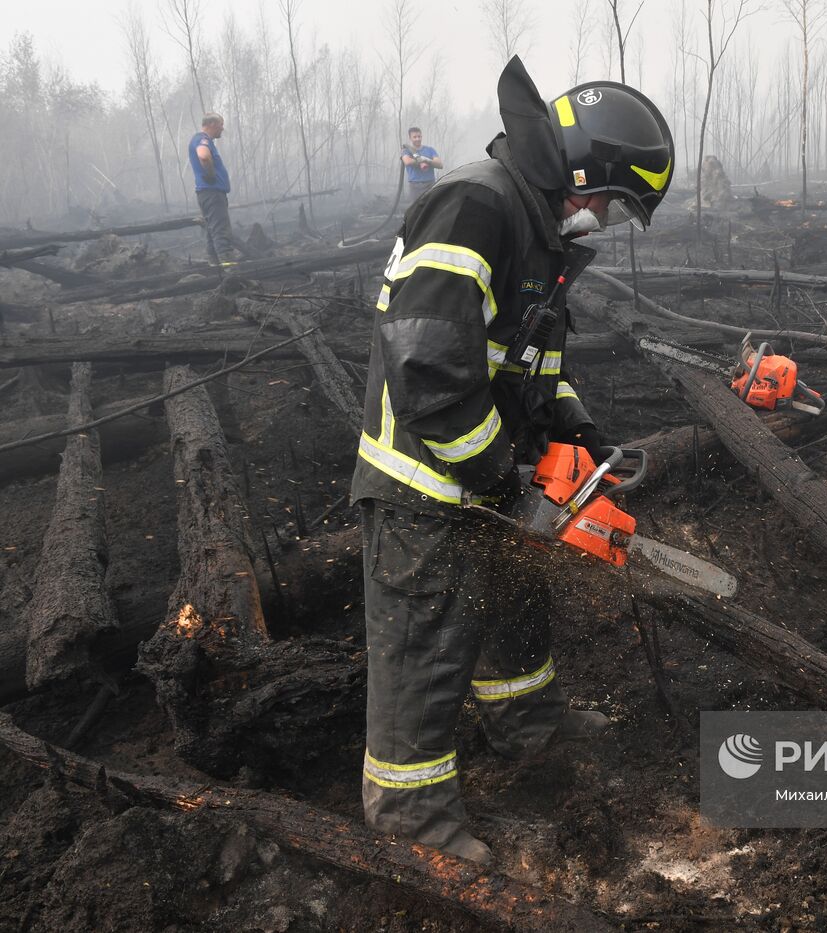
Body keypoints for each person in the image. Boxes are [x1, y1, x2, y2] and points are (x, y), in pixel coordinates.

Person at [351, 57, 673, 865]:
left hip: (489, 474)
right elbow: (429, 369)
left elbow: (532, 368)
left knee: (515, 604)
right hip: (425, 482)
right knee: (426, 641)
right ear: (583, 171)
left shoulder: (535, 229)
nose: (606, 218)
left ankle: (526, 725)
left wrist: (582, 438)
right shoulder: (476, 206)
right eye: (612, 202)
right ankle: (411, 814)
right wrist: (501, 476)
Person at [188, 113, 242, 268]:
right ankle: (230, 269)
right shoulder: (202, 139)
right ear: (211, 123)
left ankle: (215, 267)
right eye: (220, 124)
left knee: (212, 230)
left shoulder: (201, 139)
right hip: (212, 193)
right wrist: (210, 174)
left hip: (207, 193)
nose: (222, 128)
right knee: (220, 230)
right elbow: (204, 156)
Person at [401, 127, 444, 202]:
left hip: (430, 184)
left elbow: (440, 165)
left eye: (419, 136)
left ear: (421, 136)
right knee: (416, 210)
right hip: (415, 186)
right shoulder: (406, 150)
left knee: (431, 208)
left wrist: (426, 160)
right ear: (410, 138)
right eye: (414, 137)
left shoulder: (430, 150)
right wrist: (420, 161)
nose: (417, 139)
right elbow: (407, 161)